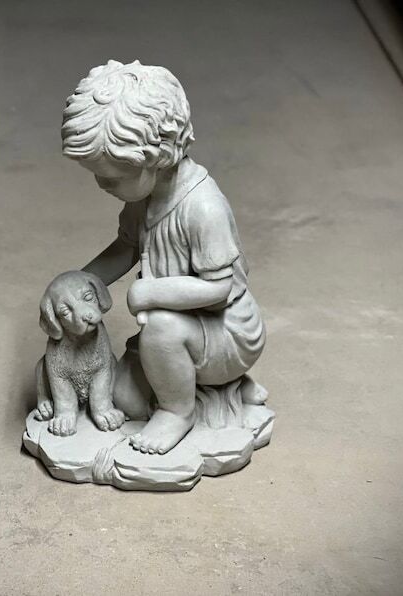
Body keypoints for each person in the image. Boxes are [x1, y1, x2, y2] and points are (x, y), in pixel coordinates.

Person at [61, 60, 265, 455]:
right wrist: (80, 280)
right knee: (125, 399)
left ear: (159, 155)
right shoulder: (144, 196)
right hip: (177, 329)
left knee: (161, 329)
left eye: (113, 176)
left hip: (225, 331)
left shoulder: (203, 207)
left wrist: (149, 292)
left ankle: (178, 411)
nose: (102, 185)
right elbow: (125, 248)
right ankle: (215, 389)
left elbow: (219, 289)